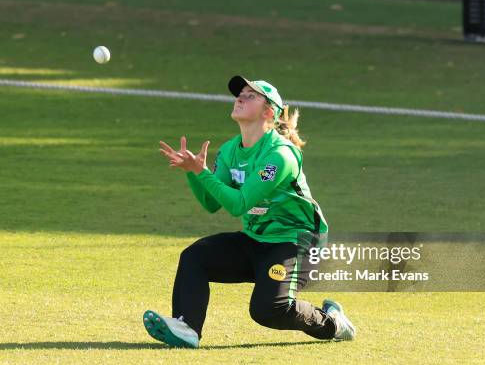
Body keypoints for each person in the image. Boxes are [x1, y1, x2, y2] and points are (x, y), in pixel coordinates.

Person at [143, 75, 355, 348]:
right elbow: (212, 203)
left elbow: (239, 204)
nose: (240, 97)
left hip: (296, 243)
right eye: (240, 93)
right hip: (257, 239)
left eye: (250, 95)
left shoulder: (280, 155)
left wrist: (201, 172)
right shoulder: (231, 150)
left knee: (268, 310)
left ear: (269, 112)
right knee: (195, 257)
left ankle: (333, 323)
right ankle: (187, 328)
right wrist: (193, 174)